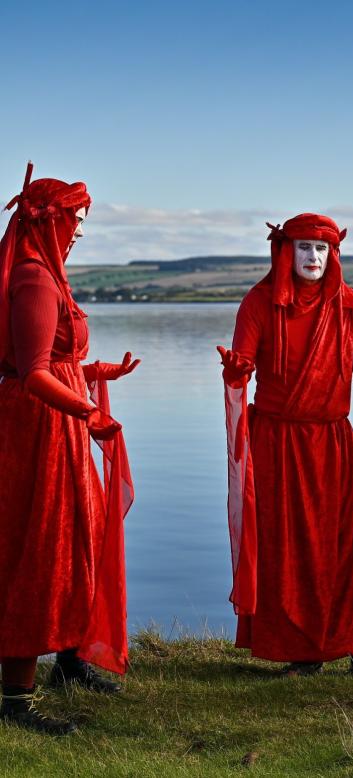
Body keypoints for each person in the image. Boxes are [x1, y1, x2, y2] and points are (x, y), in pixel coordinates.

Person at [218, 213, 353, 679]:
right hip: (277, 440)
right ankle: (302, 651)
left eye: (322, 249)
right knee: (289, 546)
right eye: (304, 248)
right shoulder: (258, 302)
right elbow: (243, 366)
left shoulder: (348, 303)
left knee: (347, 545)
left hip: (332, 440)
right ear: (284, 251)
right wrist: (235, 370)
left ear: (334, 254)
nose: (313, 258)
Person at [0, 164, 135, 736]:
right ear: (49, 221)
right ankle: (16, 699)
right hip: (40, 429)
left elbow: (60, 361)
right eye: (76, 219)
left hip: (60, 426)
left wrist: (99, 373)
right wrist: (88, 410)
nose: (80, 230)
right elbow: (32, 372)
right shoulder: (34, 278)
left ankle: (72, 660)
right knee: (42, 549)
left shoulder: (49, 275)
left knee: (79, 537)